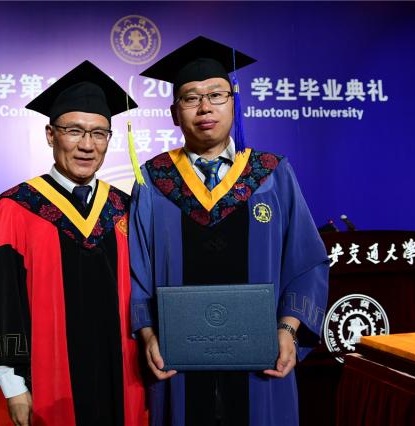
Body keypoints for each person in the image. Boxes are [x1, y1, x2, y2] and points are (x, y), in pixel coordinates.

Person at [129, 36, 329, 425]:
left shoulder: (271, 174)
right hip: (178, 361)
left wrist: (288, 329)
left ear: (234, 103)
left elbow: (307, 262)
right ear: (174, 113)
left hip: (261, 362)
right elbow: (136, 271)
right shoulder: (153, 181)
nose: (205, 107)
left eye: (216, 95)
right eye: (191, 98)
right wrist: (148, 333)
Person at [0, 61, 146, 426]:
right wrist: (13, 386)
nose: (87, 145)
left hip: (121, 377)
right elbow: (0, 302)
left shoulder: (123, 207)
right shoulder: (17, 208)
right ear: (51, 135)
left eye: (99, 133)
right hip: (49, 382)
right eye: (74, 131)